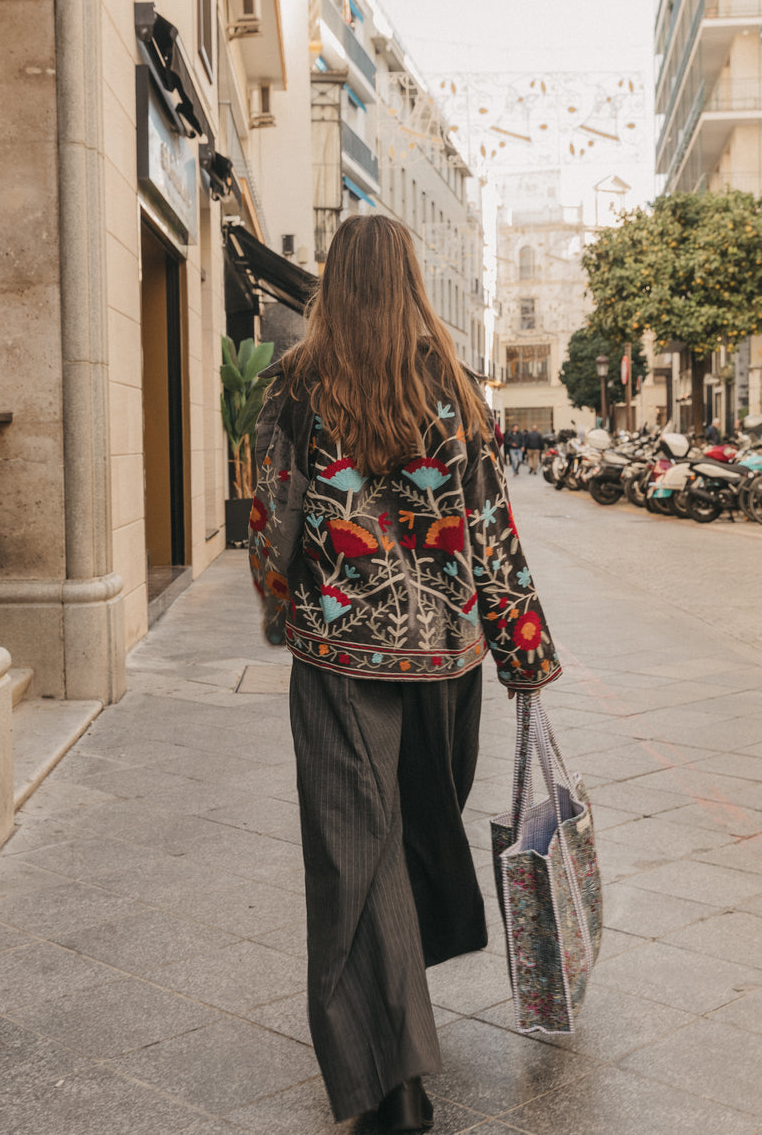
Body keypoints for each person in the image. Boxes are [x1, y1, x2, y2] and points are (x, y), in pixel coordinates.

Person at [249, 215, 561, 1132]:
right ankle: (398, 1046)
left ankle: (394, 1082)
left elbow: (273, 519)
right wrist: (522, 647)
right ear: (411, 279)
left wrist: (283, 605)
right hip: (449, 665)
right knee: (409, 830)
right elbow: (492, 529)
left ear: (333, 282)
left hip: (344, 658)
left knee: (359, 850)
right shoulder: (457, 389)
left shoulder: (295, 387)